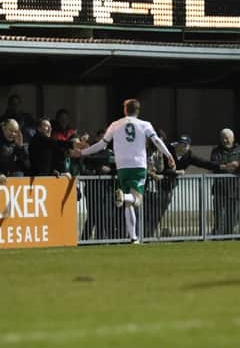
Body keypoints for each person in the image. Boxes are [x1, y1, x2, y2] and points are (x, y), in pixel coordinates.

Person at [72, 99, 175, 243]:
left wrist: (82, 153)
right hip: (138, 164)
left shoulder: (115, 124)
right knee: (137, 200)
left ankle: (133, 238)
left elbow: (102, 145)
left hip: (122, 166)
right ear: (138, 111)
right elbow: (156, 140)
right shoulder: (145, 124)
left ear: (125, 110)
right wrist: (168, 155)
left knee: (128, 205)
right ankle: (124, 198)